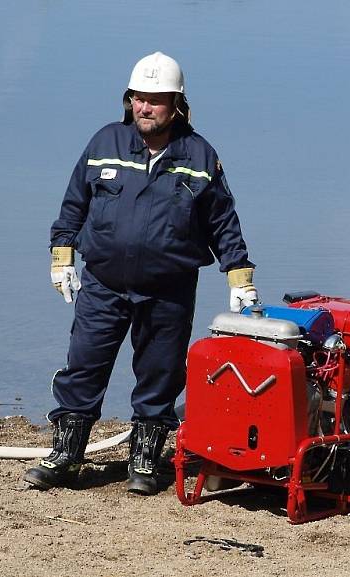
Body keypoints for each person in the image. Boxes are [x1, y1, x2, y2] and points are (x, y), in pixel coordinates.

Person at [24, 52, 258, 495]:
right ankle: (66, 457)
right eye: (138, 98)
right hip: (102, 285)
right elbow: (74, 203)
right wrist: (62, 258)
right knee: (84, 366)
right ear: (128, 99)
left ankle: (145, 461)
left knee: (160, 373)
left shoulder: (199, 155)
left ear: (177, 104)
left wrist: (239, 278)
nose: (145, 108)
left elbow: (223, 222)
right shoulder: (104, 143)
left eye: (155, 100)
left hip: (168, 290)